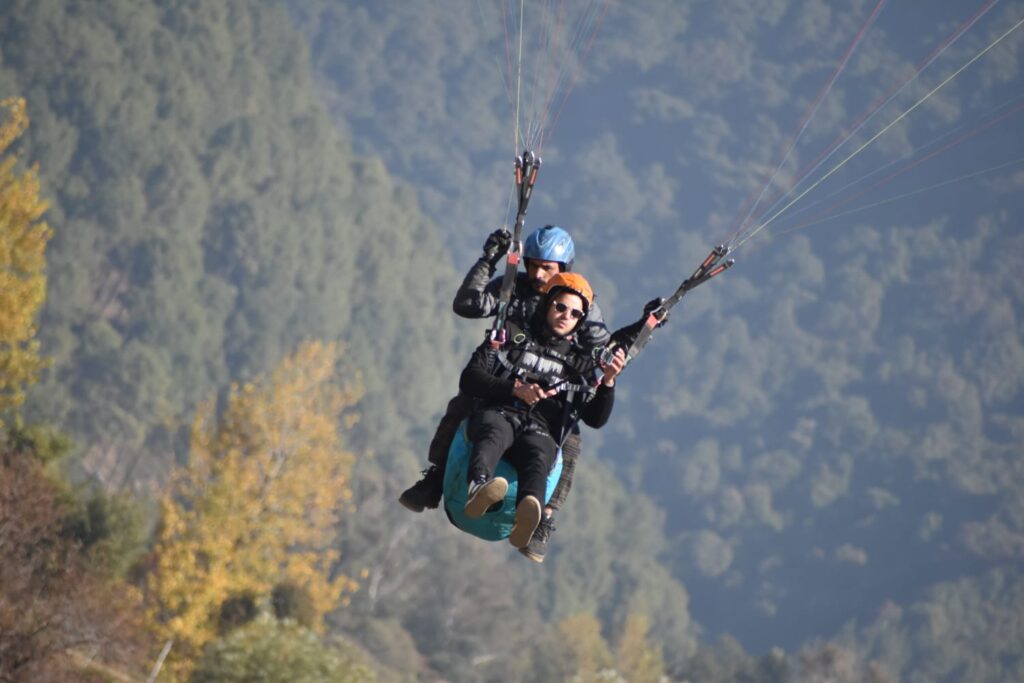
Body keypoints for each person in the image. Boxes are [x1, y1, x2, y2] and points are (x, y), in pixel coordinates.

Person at [399, 225, 610, 562]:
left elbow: (601, 350)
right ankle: (437, 477)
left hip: (549, 392)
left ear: (564, 271)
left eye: (548, 268)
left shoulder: (576, 302)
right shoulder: (513, 288)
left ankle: (543, 519)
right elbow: (468, 304)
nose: (539, 274)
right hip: (508, 373)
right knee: (466, 403)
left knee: (569, 440)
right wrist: (488, 261)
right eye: (533, 265)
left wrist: (635, 335)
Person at [459, 272, 626, 548]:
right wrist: (513, 388)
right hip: (500, 413)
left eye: (574, 314)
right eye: (560, 307)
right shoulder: (511, 333)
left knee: (540, 455)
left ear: (580, 321)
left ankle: (529, 510)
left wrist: (607, 381)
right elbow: (470, 377)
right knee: (494, 431)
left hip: (539, 429)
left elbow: (595, 419)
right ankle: (478, 487)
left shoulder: (579, 364)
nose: (565, 316)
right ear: (547, 304)